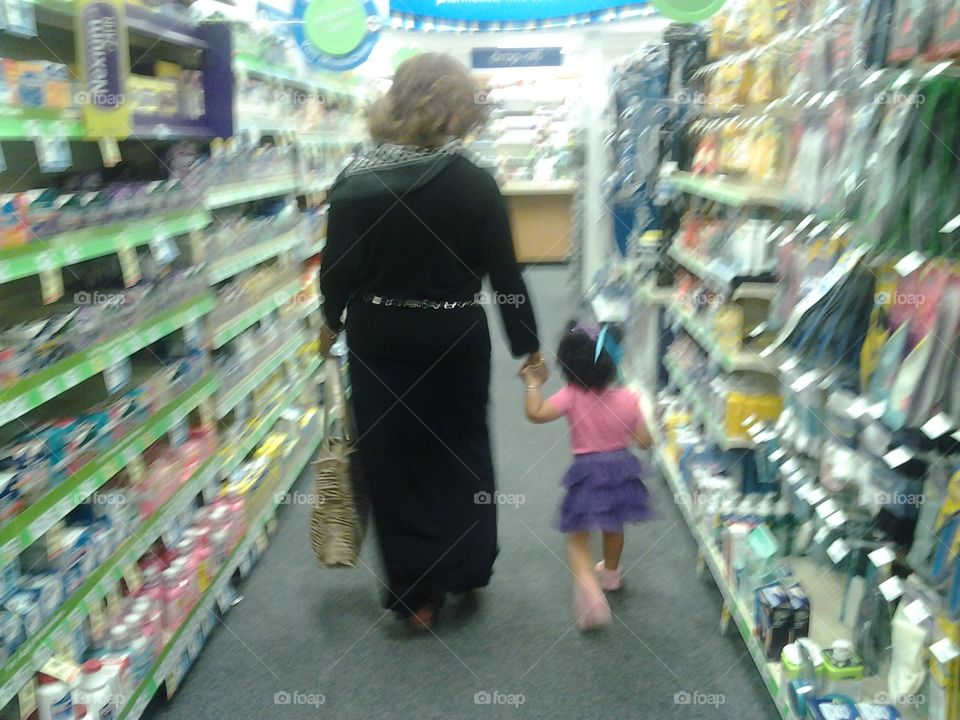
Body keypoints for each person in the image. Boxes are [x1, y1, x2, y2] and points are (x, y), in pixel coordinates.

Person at [318, 53, 545, 631]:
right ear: (458, 107)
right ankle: (466, 568)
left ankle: (416, 596)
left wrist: (330, 322)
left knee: (393, 461)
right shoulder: (474, 183)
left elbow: (337, 270)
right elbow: (506, 276)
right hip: (454, 336)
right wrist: (527, 349)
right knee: (460, 451)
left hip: (381, 338)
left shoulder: (356, 182)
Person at [520, 321, 654, 630]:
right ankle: (610, 575)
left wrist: (532, 383)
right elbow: (645, 441)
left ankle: (591, 594)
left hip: (587, 472)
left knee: (578, 539)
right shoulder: (630, 399)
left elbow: (536, 413)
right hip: (622, 470)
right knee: (614, 524)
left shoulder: (571, 395)